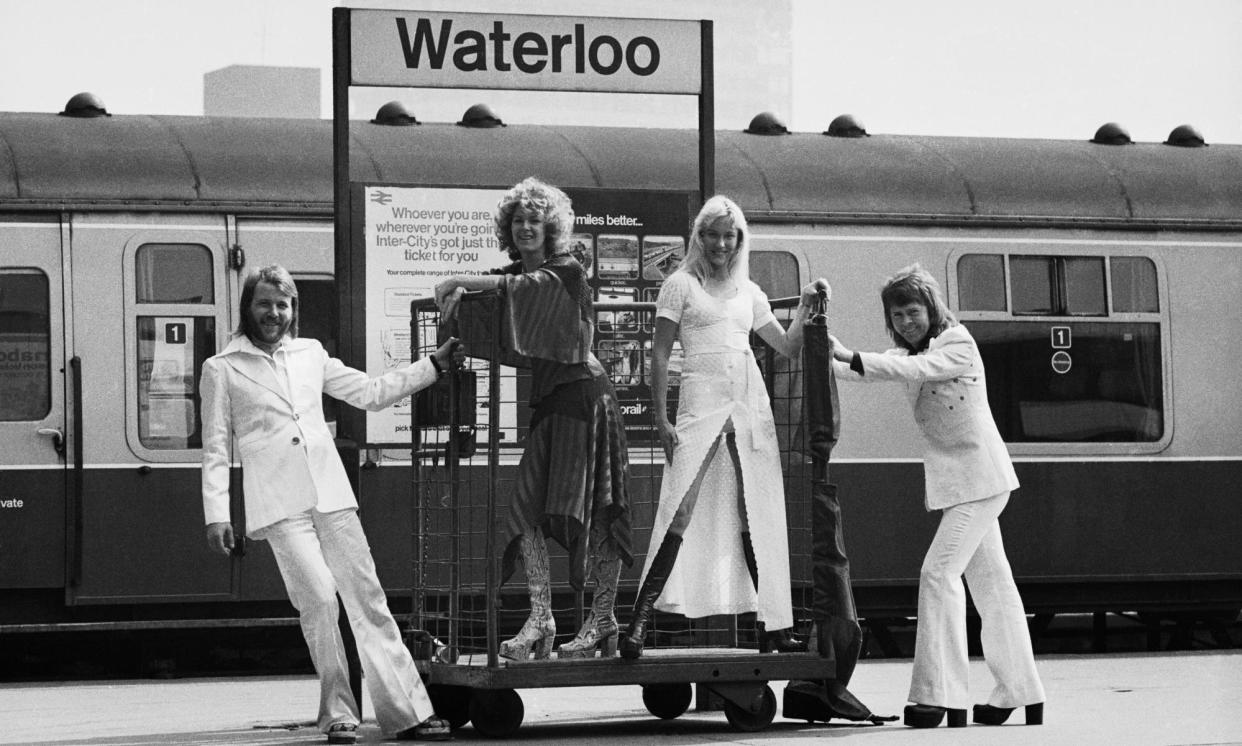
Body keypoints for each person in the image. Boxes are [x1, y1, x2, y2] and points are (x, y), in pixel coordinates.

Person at [201, 265, 460, 745]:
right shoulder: (222, 368)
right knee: (319, 600)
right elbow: (217, 447)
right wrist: (217, 513)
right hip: (280, 505)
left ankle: (408, 714)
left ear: (293, 309)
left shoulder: (310, 354)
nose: (274, 313)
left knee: (368, 602)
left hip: (332, 497)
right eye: (264, 303)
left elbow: (369, 393)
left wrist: (434, 366)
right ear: (247, 307)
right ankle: (338, 714)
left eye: (283, 304)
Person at [828, 264, 1046, 729]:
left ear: (931, 308)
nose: (906, 322)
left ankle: (940, 697)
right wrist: (815, 357)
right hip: (965, 487)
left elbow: (914, 368)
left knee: (937, 574)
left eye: (912, 311)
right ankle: (1021, 691)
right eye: (897, 315)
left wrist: (850, 353)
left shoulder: (957, 343)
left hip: (983, 483)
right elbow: (869, 372)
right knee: (993, 588)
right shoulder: (908, 353)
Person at [618, 194, 828, 659]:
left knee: (755, 507)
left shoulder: (749, 292)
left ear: (738, 240)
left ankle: (772, 627)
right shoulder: (680, 285)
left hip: (747, 406)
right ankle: (637, 624)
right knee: (680, 506)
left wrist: (809, 305)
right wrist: (660, 417)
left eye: (727, 236)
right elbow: (658, 353)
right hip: (700, 405)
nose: (719, 243)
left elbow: (787, 347)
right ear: (699, 237)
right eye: (711, 234)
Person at [434, 177, 632, 661]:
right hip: (551, 402)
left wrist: (458, 281)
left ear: (551, 228)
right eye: (518, 220)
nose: (526, 228)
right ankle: (541, 616)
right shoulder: (514, 276)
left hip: (586, 398)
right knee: (527, 512)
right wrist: (455, 306)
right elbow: (501, 297)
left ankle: (602, 617)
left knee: (602, 509)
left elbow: (522, 289)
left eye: (535, 221)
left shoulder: (567, 271)